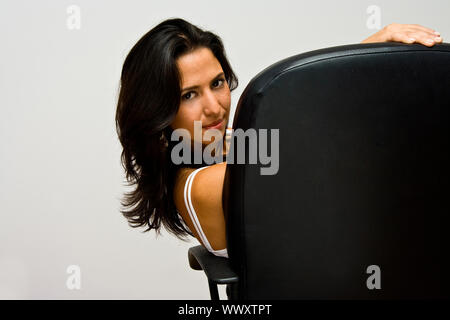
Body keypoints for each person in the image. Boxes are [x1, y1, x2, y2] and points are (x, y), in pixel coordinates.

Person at [115, 18, 444, 258]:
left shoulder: (221, 144)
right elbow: (304, 136)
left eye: (217, 83)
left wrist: (372, 45)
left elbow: (300, 116)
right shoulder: (199, 185)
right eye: (188, 95)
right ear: (157, 112)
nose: (214, 107)